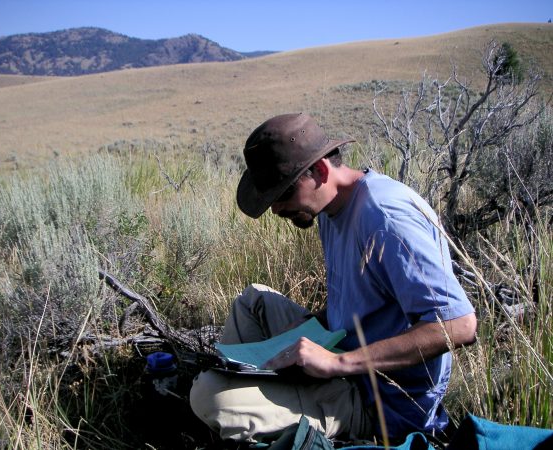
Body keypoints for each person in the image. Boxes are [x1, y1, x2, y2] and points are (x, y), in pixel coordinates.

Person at [189, 113, 477, 444]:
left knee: (209, 396)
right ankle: (257, 391)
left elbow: (459, 325)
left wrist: (337, 362)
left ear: (321, 171)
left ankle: (257, 411)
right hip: (344, 355)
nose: (276, 209)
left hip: (381, 402)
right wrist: (317, 325)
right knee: (253, 301)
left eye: (282, 194)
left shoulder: (386, 218)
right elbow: (365, 302)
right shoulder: (330, 208)